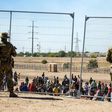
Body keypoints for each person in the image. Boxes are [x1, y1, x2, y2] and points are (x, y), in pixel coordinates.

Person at [0, 32, 18, 97]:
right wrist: (13, 49)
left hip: (0, 64)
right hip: (8, 64)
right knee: (9, 78)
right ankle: (11, 92)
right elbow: (15, 54)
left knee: (0, 78)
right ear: (6, 38)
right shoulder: (10, 45)